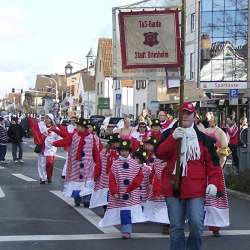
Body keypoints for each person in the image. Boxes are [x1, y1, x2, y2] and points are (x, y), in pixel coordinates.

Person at [156, 102, 225, 250]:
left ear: (194, 116)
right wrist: (172, 138)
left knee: (196, 224)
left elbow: (213, 164)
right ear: (178, 116)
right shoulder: (168, 134)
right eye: (183, 113)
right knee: (176, 227)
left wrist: (213, 183)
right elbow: (160, 153)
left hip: (195, 189)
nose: (185, 116)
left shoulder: (203, 138)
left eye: (189, 113)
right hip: (173, 187)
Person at [99, 140, 145, 239]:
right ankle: (126, 229)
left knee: (128, 210)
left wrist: (133, 185)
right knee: (123, 210)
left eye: (126, 151)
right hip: (119, 192)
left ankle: (127, 230)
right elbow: (112, 179)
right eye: (122, 151)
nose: (124, 153)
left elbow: (139, 176)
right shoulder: (115, 164)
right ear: (119, 152)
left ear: (130, 152)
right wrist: (114, 191)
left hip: (132, 192)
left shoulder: (134, 163)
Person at [53, 117, 101, 207]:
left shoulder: (92, 138)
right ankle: (77, 198)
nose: (77, 128)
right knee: (76, 182)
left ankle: (87, 199)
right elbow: (66, 140)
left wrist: (97, 162)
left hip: (88, 165)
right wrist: (55, 143)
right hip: (76, 164)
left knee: (87, 183)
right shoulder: (74, 136)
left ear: (83, 128)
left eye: (78, 126)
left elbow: (96, 151)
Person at [90, 133, 120, 210]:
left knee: (113, 192)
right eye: (117, 142)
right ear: (112, 143)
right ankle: (106, 206)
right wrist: (96, 175)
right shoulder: (104, 152)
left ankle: (110, 206)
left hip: (116, 178)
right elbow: (99, 164)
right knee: (104, 193)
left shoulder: (121, 153)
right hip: (104, 178)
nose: (118, 144)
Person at [29, 113, 60, 183]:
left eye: (48, 118)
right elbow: (34, 129)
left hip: (51, 149)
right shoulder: (40, 126)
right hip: (42, 148)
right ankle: (42, 178)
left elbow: (59, 138)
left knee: (49, 164)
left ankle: (49, 176)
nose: (46, 119)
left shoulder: (55, 128)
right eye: (45, 118)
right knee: (41, 164)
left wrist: (55, 143)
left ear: (51, 120)